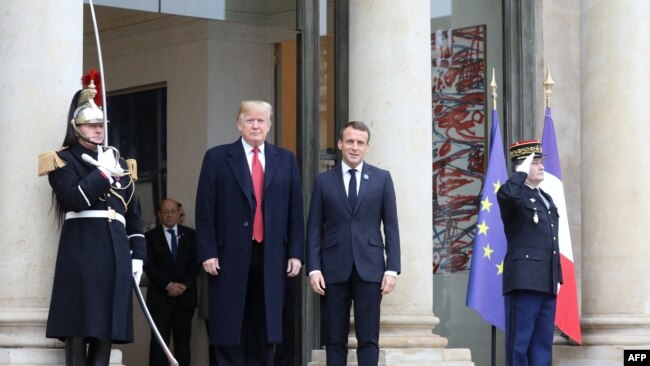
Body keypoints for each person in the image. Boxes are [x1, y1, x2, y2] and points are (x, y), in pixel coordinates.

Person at [40, 70, 146, 366]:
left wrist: (138, 255)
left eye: (101, 124)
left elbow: (132, 214)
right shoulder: (63, 160)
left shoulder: (119, 160)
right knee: (79, 327)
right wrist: (102, 174)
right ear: (77, 129)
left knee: (105, 331)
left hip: (115, 251)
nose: (98, 130)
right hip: (83, 251)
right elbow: (74, 198)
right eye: (91, 125)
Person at [195, 100, 304, 365]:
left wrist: (295, 253)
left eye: (261, 121)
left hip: (272, 257)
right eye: (250, 120)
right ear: (238, 124)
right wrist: (208, 251)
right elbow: (205, 208)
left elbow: (295, 211)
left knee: (265, 327)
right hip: (227, 256)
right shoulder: (217, 157)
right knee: (230, 326)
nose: (256, 125)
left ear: (269, 125)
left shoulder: (286, 159)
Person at [306, 121, 401, 366]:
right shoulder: (323, 181)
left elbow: (390, 227)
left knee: (368, 339)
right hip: (333, 270)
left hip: (370, 269)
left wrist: (392, 269)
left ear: (367, 147)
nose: (355, 147)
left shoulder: (381, 178)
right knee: (334, 339)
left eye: (360, 143)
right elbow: (314, 228)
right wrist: (314, 268)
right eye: (350, 141)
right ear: (340, 144)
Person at [496, 139, 562, 366]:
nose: (541, 166)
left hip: (546, 280)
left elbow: (552, 239)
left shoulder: (546, 198)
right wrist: (521, 173)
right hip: (524, 280)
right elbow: (507, 195)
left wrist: (557, 276)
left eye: (541, 161)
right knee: (519, 345)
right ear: (520, 166)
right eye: (534, 162)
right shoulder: (514, 193)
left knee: (542, 346)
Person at [144, 198, 198, 366]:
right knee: (159, 345)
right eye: (165, 212)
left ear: (178, 213)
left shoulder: (191, 235)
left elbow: (196, 263)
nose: (169, 215)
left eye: (172, 211)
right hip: (160, 299)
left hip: (185, 298)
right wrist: (168, 285)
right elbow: (148, 265)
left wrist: (184, 285)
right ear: (159, 214)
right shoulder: (149, 237)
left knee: (183, 345)